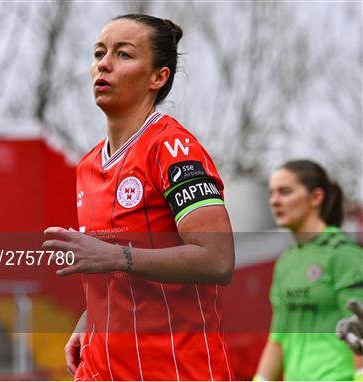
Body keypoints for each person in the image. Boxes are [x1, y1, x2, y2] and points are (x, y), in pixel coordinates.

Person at [43, 14, 234, 380]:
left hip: (173, 370)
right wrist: (90, 319)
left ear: (157, 77)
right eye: (99, 53)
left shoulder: (173, 149)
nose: (104, 63)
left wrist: (117, 256)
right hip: (103, 369)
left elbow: (218, 259)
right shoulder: (87, 165)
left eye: (124, 54)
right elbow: (111, 269)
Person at [255, 160, 363, 381]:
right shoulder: (286, 262)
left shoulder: (343, 254)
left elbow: (359, 334)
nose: (274, 201)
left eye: (285, 192)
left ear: (316, 197)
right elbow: (277, 340)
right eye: (271, 193)